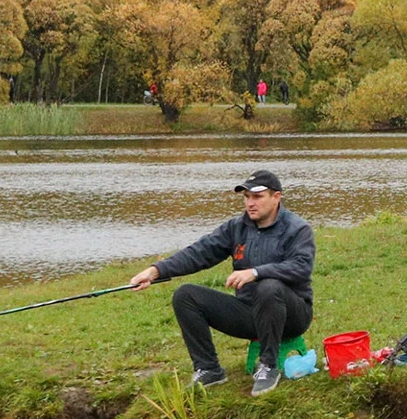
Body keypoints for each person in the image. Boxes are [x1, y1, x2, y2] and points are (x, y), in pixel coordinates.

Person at [128, 170, 315, 396]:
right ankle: (209, 369)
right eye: (246, 197)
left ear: (276, 197)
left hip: (292, 314)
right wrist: (155, 270)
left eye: (257, 197)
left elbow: (301, 267)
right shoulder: (236, 228)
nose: (250, 203)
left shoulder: (298, 229)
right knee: (185, 295)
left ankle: (268, 366)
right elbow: (199, 253)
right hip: (250, 313)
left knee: (269, 286)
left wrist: (256, 272)